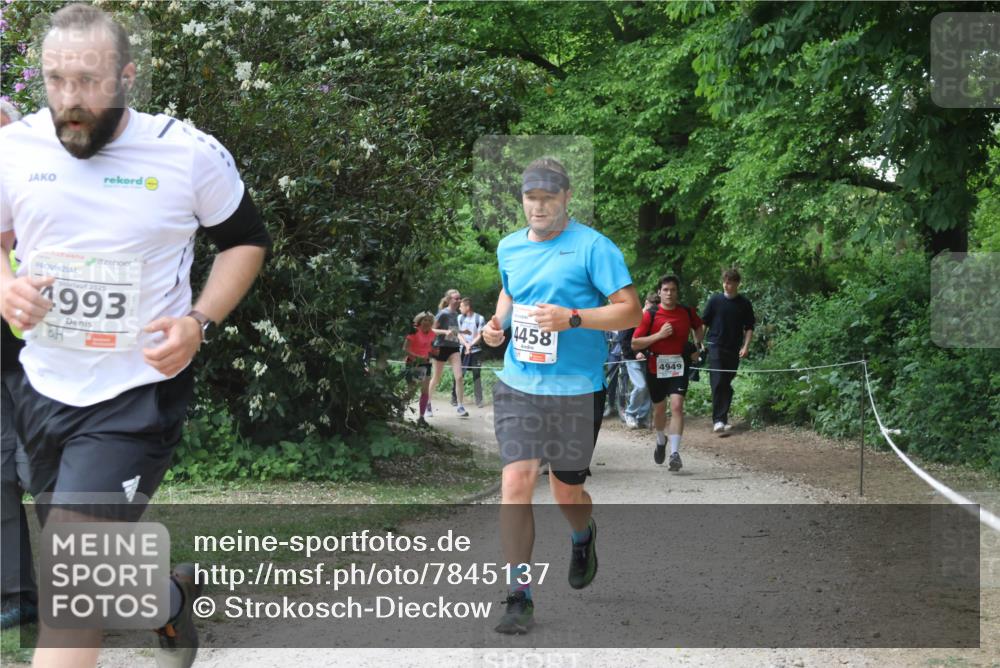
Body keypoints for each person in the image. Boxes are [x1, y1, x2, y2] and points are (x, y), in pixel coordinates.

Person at [0, 4, 270, 667]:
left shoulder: (186, 153)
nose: (71, 98)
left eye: (88, 81)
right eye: (57, 80)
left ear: (125, 77)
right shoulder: (13, 150)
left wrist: (198, 321)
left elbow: (245, 241)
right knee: (89, 577)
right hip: (43, 387)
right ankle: (171, 601)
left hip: (136, 394)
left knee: (71, 574)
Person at [481, 157, 641, 635]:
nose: (540, 205)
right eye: (532, 197)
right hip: (520, 384)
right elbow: (510, 294)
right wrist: (496, 326)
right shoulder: (509, 246)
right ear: (523, 199)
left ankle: (582, 534)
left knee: (566, 490)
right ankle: (519, 595)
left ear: (567, 198)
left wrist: (574, 317)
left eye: (549, 197)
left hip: (575, 389)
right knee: (516, 483)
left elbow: (629, 311)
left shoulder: (595, 247)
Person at [630, 275, 705, 471]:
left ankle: (674, 453)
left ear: (677, 292)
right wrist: (659, 335)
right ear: (659, 293)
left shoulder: (687, 312)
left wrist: (698, 345)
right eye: (665, 290)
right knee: (660, 409)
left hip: (679, 364)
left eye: (673, 290)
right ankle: (661, 440)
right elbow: (635, 343)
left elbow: (699, 327)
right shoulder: (650, 315)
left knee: (677, 406)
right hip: (656, 366)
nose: (669, 293)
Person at [701, 268, 756, 433]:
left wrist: (745, 346)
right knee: (717, 380)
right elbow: (704, 322)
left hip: (733, 348)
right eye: (725, 282)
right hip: (715, 344)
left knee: (726, 382)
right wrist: (699, 342)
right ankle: (717, 420)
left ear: (737, 284)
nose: (727, 285)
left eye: (731, 282)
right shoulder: (715, 300)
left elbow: (749, 327)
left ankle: (723, 417)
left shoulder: (744, 303)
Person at [619, 292, 658, 429]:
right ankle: (630, 413)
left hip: (649, 358)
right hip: (632, 359)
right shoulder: (633, 317)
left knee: (648, 388)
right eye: (652, 308)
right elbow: (624, 340)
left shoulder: (655, 318)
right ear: (646, 304)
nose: (654, 312)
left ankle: (642, 417)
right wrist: (635, 354)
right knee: (640, 386)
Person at [428, 289, 469, 417]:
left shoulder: (456, 315)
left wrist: (466, 343)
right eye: (456, 298)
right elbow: (431, 330)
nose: (459, 300)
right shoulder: (443, 314)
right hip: (440, 348)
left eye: (459, 298)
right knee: (436, 378)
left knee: (459, 377)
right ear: (449, 300)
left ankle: (460, 406)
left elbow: (454, 333)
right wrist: (444, 332)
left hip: (453, 348)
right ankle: (427, 404)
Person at [403, 311, 436, 427]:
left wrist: (434, 352)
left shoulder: (432, 334)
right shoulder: (414, 331)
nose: (427, 322)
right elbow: (405, 348)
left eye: (429, 320)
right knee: (411, 392)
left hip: (426, 364)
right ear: (420, 321)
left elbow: (431, 349)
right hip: (413, 363)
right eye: (424, 320)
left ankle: (421, 417)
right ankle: (400, 410)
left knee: (425, 391)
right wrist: (417, 357)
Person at [456, 297, 486, 408]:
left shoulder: (480, 318)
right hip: (462, 349)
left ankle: (479, 400)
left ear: (467, 307)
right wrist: (466, 345)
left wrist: (471, 345)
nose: (459, 308)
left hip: (476, 351)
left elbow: (480, 335)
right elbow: (457, 333)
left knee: (476, 374)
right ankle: (454, 398)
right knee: (458, 374)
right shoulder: (459, 318)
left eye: (461, 306)